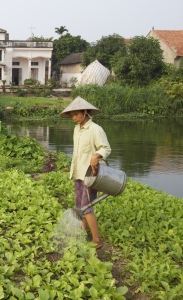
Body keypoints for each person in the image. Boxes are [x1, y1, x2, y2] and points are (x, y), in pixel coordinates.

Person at [60, 96, 111, 249]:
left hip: (91, 175)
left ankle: (96, 240)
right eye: (72, 115)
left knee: (86, 206)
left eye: (76, 114)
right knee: (79, 205)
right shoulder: (77, 129)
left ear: (85, 112)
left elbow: (106, 148)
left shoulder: (95, 129)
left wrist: (96, 156)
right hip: (79, 173)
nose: (73, 118)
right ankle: (83, 231)